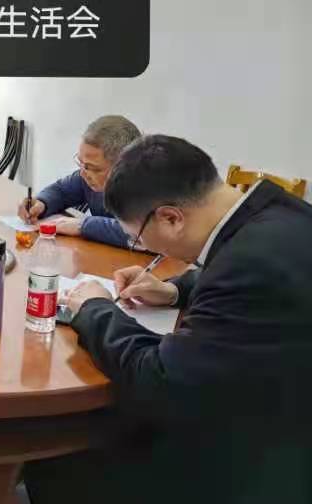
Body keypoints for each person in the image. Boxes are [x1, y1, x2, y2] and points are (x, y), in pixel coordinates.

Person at [26, 135, 312, 504]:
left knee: (55, 464)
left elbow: (159, 381)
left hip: (263, 461)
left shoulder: (247, 266)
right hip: (280, 410)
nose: (145, 248)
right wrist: (172, 290)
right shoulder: (278, 213)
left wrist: (95, 308)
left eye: (138, 238)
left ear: (171, 218)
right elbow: (236, 275)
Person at [17, 115, 141, 248]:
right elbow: (61, 190)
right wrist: (42, 203)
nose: (82, 173)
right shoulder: (86, 175)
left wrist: (82, 226)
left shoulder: (147, 188)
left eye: (92, 167)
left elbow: (140, 233)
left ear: (123, 167)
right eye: (81, 162)